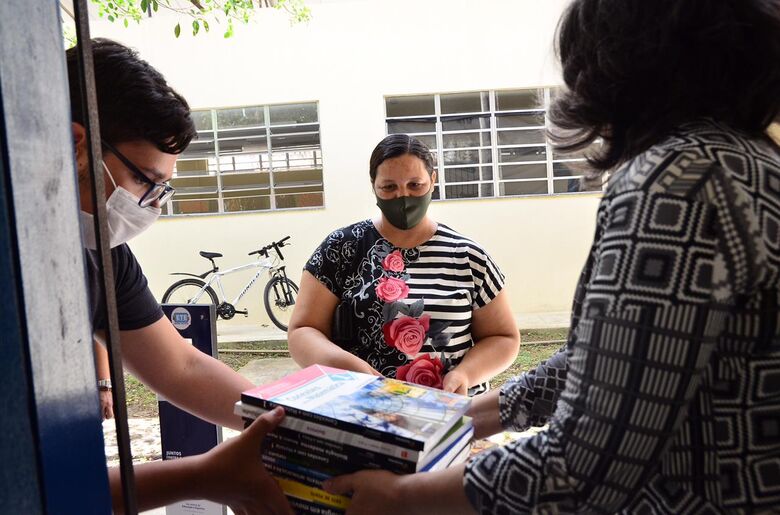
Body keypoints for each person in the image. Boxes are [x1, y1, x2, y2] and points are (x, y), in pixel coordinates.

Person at [322, 0, 780, 513]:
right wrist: (455, 420)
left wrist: (403, 497)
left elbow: (585, 458)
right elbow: (609, 363)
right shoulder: (748, 162)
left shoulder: (679, 183)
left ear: (617, 64)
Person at [68, 39, 292, 514]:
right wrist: (206, 476)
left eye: (162, 189)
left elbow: (182, 366)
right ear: (76, 144)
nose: (150, 205)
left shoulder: (104, 256)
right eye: (143, 181)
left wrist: (298, 425)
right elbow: (34, 483)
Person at [288, 134, 520, 395]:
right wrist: (341, 365)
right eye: (389, 187)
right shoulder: (341, 248)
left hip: (448, 409)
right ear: (373, 186)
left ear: (433, 180)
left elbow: (503, 337)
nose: (403, 197)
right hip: (358, 406)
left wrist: (465, 374)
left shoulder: (468, 257)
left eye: (415, 185)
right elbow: (303, 330)